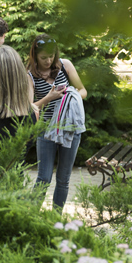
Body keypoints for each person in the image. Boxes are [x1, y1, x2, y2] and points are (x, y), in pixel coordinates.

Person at [27, 34, 87, 211]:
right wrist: (49, 97)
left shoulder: (65, 65)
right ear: (35, 55)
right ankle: (30, 217)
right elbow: (30, 107)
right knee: (43, 178)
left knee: (63, 179)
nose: (48, 61)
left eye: (51, 56)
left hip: (69, 128)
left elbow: (83, 90)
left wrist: (71, 95)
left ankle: (55, 220)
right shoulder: (29, 74)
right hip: (46, 129)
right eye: (43, 57)